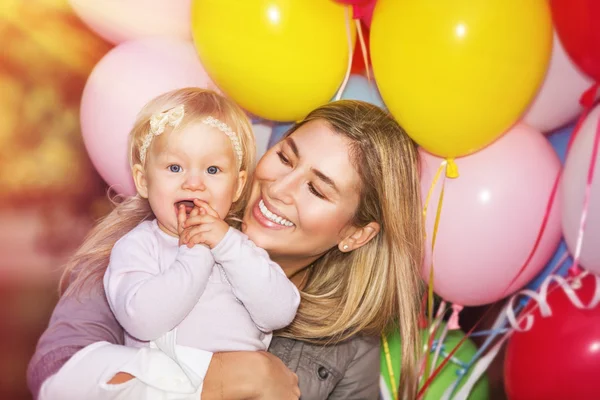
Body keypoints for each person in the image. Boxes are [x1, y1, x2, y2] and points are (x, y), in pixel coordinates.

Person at [27, 99, 425, 400]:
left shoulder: (349, 340)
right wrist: (213, 375)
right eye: (285, 157)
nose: (279, 187)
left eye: (316, 189)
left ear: (356, 235)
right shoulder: (155, 236)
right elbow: (53, 376)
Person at [100, 88, 300, 395]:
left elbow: (279, 311)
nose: (194, 182)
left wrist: (226, 245)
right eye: (175, 168)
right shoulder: (138, 247)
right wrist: (195, 253)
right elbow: (143, 321)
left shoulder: (240, 249)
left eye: (212, 169)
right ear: (143, 180)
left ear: (237, 186)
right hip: (168, 388)